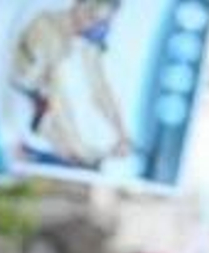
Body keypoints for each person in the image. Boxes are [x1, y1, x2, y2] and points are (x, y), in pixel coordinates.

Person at [10, 0, 132, 169]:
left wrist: (122, 133)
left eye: (101, 22)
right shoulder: (46, 28)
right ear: (77, 4)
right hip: (24, 109)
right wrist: (76, 149)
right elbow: (50, 94)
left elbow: (100, 88)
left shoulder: (87, 39)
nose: (91, 25)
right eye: (91, 15)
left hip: (46, 113)